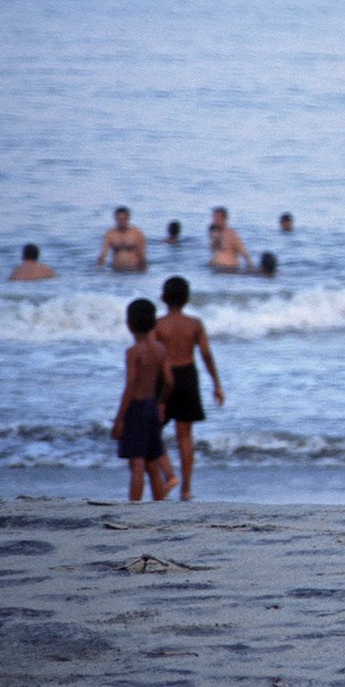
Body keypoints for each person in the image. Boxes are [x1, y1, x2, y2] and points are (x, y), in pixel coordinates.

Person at [155, 276, 223, 500]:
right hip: (188, 377)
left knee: (153, 431)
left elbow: (153, 358)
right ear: (187, 298)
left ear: (163, 297)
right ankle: (186, 489)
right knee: (185, 436)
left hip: (165, 378)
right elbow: (206, 355)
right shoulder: (194, 324)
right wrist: (216, 384)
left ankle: (167, 477)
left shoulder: (158, 324)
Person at [111, 298, 173, 502]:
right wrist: (162, 403)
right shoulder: (160, 349)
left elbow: (130, 386)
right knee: (152, 462)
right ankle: (158, 506)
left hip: (136, 408)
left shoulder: (132, 352)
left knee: (137, 464)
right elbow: (170, 381)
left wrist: (119, 419)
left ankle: (133, 508)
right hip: (152, 406)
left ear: (129, 325)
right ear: (154, 323)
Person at [97, 207, 148, 273]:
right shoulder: (110, 234)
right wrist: (98, 269)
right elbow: (103, 254)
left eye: (124, 219)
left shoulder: (136, 233)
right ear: (115, 218)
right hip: (116, 270)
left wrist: (143, 271)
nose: (121, 221)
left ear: (128, 218)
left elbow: (141, 254)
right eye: (119, 219)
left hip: (134, 270)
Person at [207, 207, 252, 272]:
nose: (215, 220)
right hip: (215, 269)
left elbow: (244, 253)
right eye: (214, 217)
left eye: (218, 217)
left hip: (229, 270)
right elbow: (215, 252)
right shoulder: (213, 234)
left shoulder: (231, 235)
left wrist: (250, 267)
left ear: (224, 219)